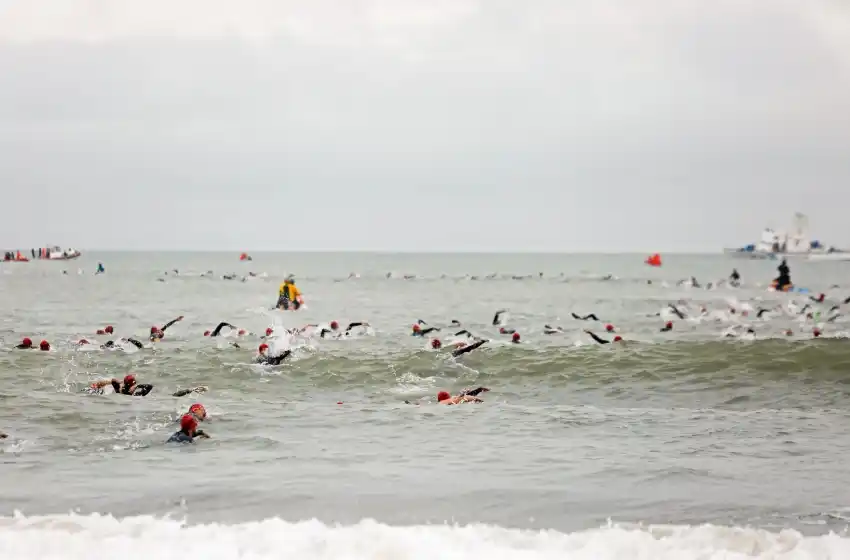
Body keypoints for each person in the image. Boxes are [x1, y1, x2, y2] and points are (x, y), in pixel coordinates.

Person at [90, 374, 154, 396]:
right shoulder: (135, 394)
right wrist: (137, 386)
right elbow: (150, 386)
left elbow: (112, 381)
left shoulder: (118, 387)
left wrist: (96, 385)